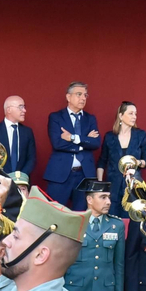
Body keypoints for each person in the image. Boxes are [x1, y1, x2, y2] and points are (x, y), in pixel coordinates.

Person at [43, 83, 99, 211]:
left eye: (85, 95)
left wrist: (74, 138)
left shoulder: (90, 119)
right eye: (79, 94)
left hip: (84, 174)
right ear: (68, 97)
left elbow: (95, 143)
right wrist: (84, 143)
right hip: (60, 174)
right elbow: (57, 143)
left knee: (81, 216)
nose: (83, 98)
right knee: (54, 213)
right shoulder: (56, 117)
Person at [96, 101, 146, 185]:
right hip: (113, 185)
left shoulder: (141, 135)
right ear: (121, 116)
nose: (134, 117)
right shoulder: (109, 137)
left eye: (135, 114)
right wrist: (99, 184)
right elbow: (102, 162)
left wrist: (137, 162)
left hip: (133, 185)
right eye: (130, 113)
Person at [0, 96, 36, 179]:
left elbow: (31, 158)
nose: (24, 110)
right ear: (9, 110)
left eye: (24, 107)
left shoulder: (27, 132)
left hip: (22, 182)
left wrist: (20, 177)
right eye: (20, 107)